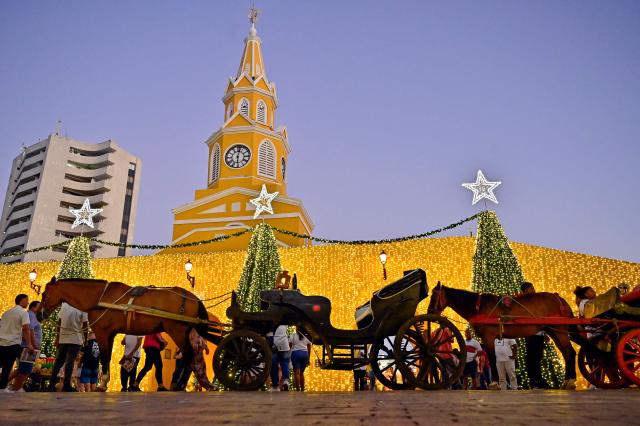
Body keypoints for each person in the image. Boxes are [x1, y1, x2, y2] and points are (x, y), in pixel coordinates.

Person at [48, 302, 88, 392]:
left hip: (63, 338)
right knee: (70, 362)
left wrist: (58, 337)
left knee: (58, 362)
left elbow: (59, 322)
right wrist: (85, 340)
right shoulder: (83, 306)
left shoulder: (64, 305)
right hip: (75, 339)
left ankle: (51, 384)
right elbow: (85, 325)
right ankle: (66, 385)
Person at [0, 294, 32, 391]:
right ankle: (9, 387)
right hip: (13, 343)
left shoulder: (6, 313)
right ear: (22, 300)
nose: (28, 302)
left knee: (5, 366)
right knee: (20, 365)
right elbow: (26, 329)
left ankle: (3, 387)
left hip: (1, 343)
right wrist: (29, 344)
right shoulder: (23, 312)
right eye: (27, 300)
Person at [7, 301, 42, 392]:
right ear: (33, 307)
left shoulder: (30, 315)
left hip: (26, 345)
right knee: (25, 370)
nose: (40, 308)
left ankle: (6, 385)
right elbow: (30, 331)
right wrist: (34, 345)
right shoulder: (31, 315)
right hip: (28, 347)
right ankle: (14, 389)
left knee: (21, 369)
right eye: (39, 306)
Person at [521, 282, 546, 389]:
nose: (534, 289)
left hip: (539, 334)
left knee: (538, 357)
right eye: (531, 288)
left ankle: (536, 380)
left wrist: (545, 333)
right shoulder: (525, 302)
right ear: (525, 290)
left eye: (533, 287)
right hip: (531, 334)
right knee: (533, 357)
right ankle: (535, 381)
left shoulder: (537, 301)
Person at [289, 326, 311, 391]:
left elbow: (290, 345)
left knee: (296, 373)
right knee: (301, 373)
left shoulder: (292, 335)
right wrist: (308, 358)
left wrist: (288, 353)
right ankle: (302, 388)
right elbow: (309, 346)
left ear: (297, 329)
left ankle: (298, 389)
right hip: (305, 354)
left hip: (295, 354)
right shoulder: (306, 336)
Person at [269, 324, 291, 391]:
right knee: (285, 363)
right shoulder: (284, 324)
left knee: (273, 365)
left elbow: (269, 335)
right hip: (285, 344)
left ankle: (275, 385)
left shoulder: (272, 323)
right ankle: (286, 381)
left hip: (275, 344)